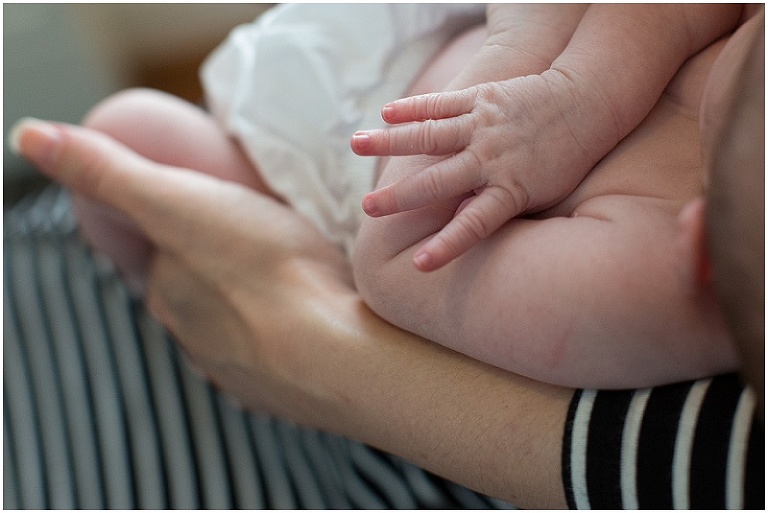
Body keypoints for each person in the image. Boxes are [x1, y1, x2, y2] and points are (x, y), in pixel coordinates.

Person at [7, 4, 763, 509]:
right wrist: (576, 84)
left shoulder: (652, 281)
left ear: (703, 259)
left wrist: (530, 120)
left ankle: (181, 312)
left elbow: (392, 267)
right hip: (423, 38)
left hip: (319, 197)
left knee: (126, 136)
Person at [351, 4, 741, 271]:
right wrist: (582, 91)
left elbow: (392, 259)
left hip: (339, 125)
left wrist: (526, 39)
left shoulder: (651, 263)